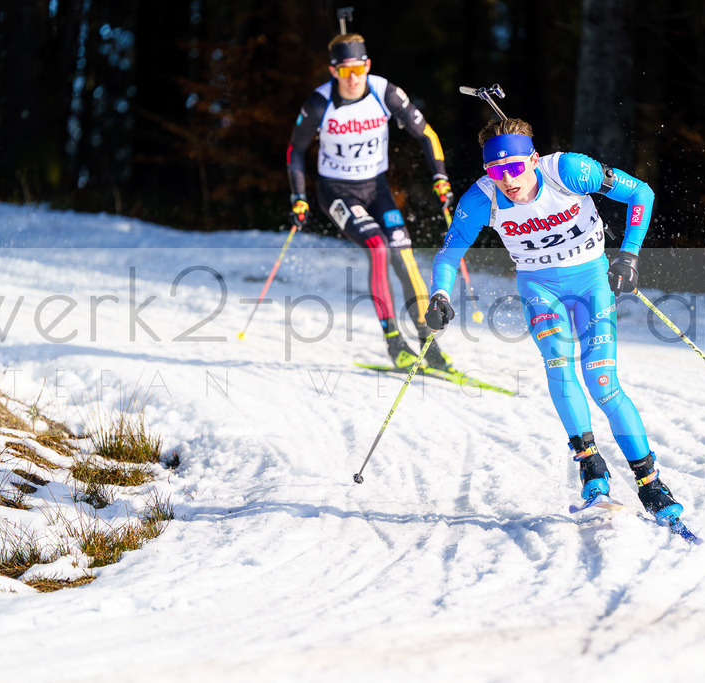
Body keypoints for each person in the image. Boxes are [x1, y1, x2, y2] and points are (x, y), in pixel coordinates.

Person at [424, 117, 684, 522]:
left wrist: (629, 254)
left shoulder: (568, 170)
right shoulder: (481, 199)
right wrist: (439, 294)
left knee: (602, 381)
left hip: (591, 281)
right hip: (539, 288)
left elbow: (641, 193)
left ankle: (650, 483)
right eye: (495, 170)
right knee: (559, 365)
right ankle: (591, 469)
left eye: (514, 167)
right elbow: (448, 254)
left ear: (533, 159)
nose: (507, 179)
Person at [286, 33, 455, 371]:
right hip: (336, 190)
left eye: (358, 69)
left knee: (402, 252)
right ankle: (394, 343)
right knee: (378, 248)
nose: (353, 78)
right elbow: (295, 149)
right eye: (344, 71)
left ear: (368, 66)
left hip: (376, 189)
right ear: (333, 71)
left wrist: (440, 176)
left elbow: (427, 134)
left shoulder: (384, 92)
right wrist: (298, 196)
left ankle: (428, 343)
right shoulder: (319, 103)